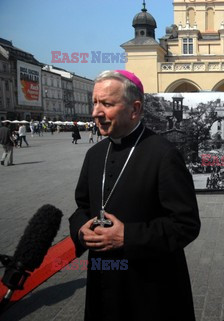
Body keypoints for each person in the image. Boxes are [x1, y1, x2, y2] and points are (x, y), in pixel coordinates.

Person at [69, 70, 200, 321]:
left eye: (107, 103)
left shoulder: (164, 155)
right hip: (102, 279)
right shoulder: (94, 154)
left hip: (150, 287)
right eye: (95, 102)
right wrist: (80, 229)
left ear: (135, 109)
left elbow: (186, 224)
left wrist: (127, 236)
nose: (96, 112)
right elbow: (82, 207)